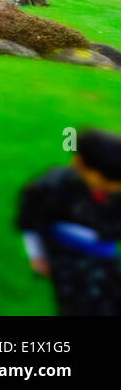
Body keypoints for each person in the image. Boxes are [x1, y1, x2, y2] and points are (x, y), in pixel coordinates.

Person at [17, 128, 121, 315]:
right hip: (66, 259)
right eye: (109, 182)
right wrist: (36, 255)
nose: (114, 188)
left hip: (106, 255)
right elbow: (29, 223)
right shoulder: (49, 188)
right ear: (81, 164)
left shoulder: (113, 190)